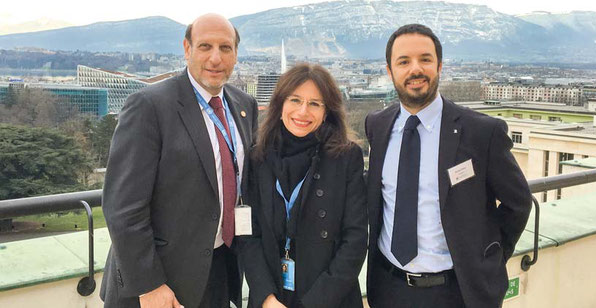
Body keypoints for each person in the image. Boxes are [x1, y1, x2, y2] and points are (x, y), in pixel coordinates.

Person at [365, 24, 532, 308]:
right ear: (389, 71)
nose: (415, 69)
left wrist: (489, 259)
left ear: (439, 66)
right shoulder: (377, 125)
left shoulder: (481, 133)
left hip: (458, 293)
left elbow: (519, 203)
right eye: (403, 61)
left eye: (425, 59)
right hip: (389, 288)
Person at [100, 13, 258, 308]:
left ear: (236, 54)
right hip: (159, 282)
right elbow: (122, 207)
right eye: (204, 47)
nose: (215, 58)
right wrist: (150, 285)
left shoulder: (243, 104)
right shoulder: (149, 106)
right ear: (187, 49)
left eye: (225, 48)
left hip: (219, 272)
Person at [240, 63, 368, 308]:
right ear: (279, 107)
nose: (303, 111)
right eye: (295, 100)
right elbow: (248, 234)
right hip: (271, 297)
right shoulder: (258, 157)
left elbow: (355, 239)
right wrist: (266, 297)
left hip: (329, 299)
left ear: (326, 112)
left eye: (314, 104)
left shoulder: (346, 158)